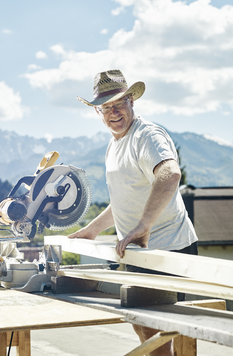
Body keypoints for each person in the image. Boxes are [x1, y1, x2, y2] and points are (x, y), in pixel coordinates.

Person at [68, 69, 198, 356]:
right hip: (138, 250)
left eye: (118, 104)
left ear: (131, 101)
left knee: (157, 334)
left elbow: (170, 174)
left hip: (167, 249)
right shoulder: (113, 145)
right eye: (106, 108)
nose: (113, 112)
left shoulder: (147, 136)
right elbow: (125, 199)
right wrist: (93, 230)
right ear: (98, 112)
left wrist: (144, 224)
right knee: (143, 328)